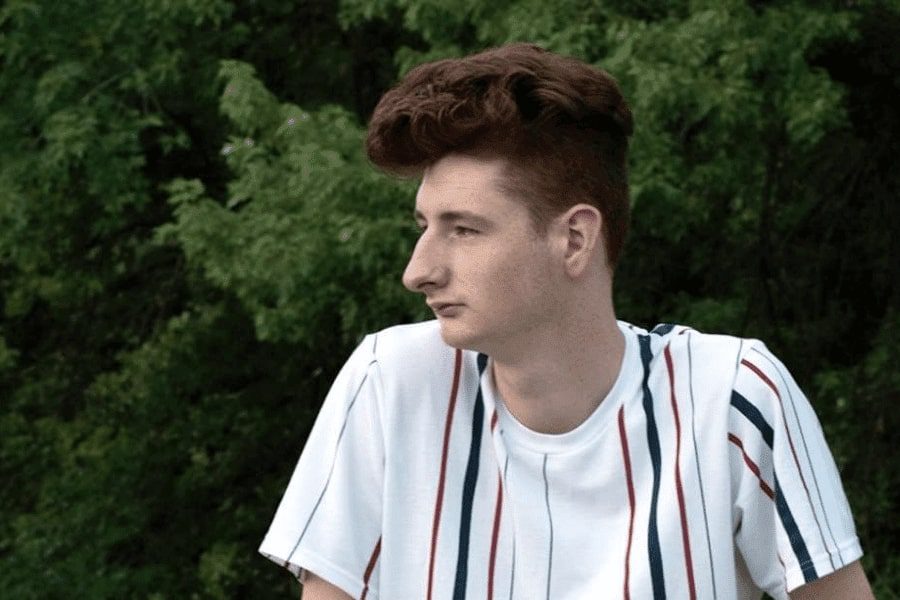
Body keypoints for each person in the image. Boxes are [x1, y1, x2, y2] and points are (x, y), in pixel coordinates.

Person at [259, 43, 873, 600]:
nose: (418, 271)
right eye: (424, 227)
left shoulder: (733, 397)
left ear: (575, 238)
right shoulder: (389, 382)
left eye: (464, 230)